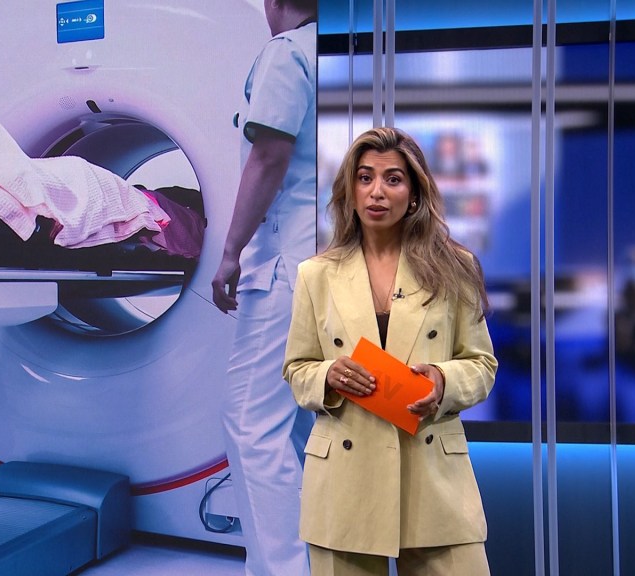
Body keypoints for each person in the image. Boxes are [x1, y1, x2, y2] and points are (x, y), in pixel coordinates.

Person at [283, 127, 498, 576]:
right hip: (345, 483)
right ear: (350, 190)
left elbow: (482, 364)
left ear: (414, 193)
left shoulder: (455, 268)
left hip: (433, 476)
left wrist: (443, 381)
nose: (376, 191)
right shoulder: (315, 275)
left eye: (393, 179)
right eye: (365, 178)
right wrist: (328, 376)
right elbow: (297, 368)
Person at [209, 0, 317, 574]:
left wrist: (231, 252)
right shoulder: (339, 53)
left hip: (285, 265)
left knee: (251, 422)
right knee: (301, 426)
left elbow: (270, 155)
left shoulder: (286, 53)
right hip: (332, 265)